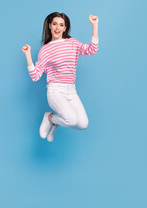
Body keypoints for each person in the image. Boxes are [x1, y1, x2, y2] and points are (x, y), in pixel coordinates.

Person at [21, 12, 99, 142]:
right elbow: (35, 76)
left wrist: (95, 25)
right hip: (55, 91)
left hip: (71, 91)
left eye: (61, 25)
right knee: (72, 119)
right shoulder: (45, 50)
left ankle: (55, 122)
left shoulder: (72, 43)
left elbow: (92, 49)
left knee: (83, 124)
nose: (57, 27)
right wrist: (28, 55)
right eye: (55, 24)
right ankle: (49, 117)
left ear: (65, 28)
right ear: (50, 26)